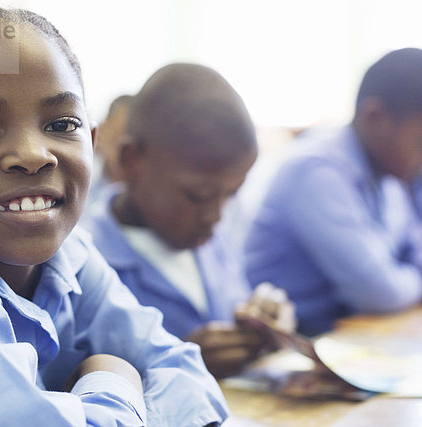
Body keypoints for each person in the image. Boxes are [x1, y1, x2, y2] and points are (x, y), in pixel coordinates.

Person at [0, 4, 229, 426]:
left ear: (93, 144)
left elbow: (186, 372)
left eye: (61, 124)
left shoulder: (70, 255)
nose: (33, 155)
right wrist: (115, 379)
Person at [84, 63, 296, 379]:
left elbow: (236, 311)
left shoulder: (209, 239)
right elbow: (79, 386)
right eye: (197, 196)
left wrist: (268, 326)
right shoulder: (86, 262)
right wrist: (175, 366)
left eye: (230, 195)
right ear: (131, 159)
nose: (215, 215)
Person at [245, 48, 422, 337]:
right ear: (375, 116)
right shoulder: (316, 173)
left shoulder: (388, 177)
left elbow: (412, 253)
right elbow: (379, 293)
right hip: (292, 343)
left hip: (347, 336)